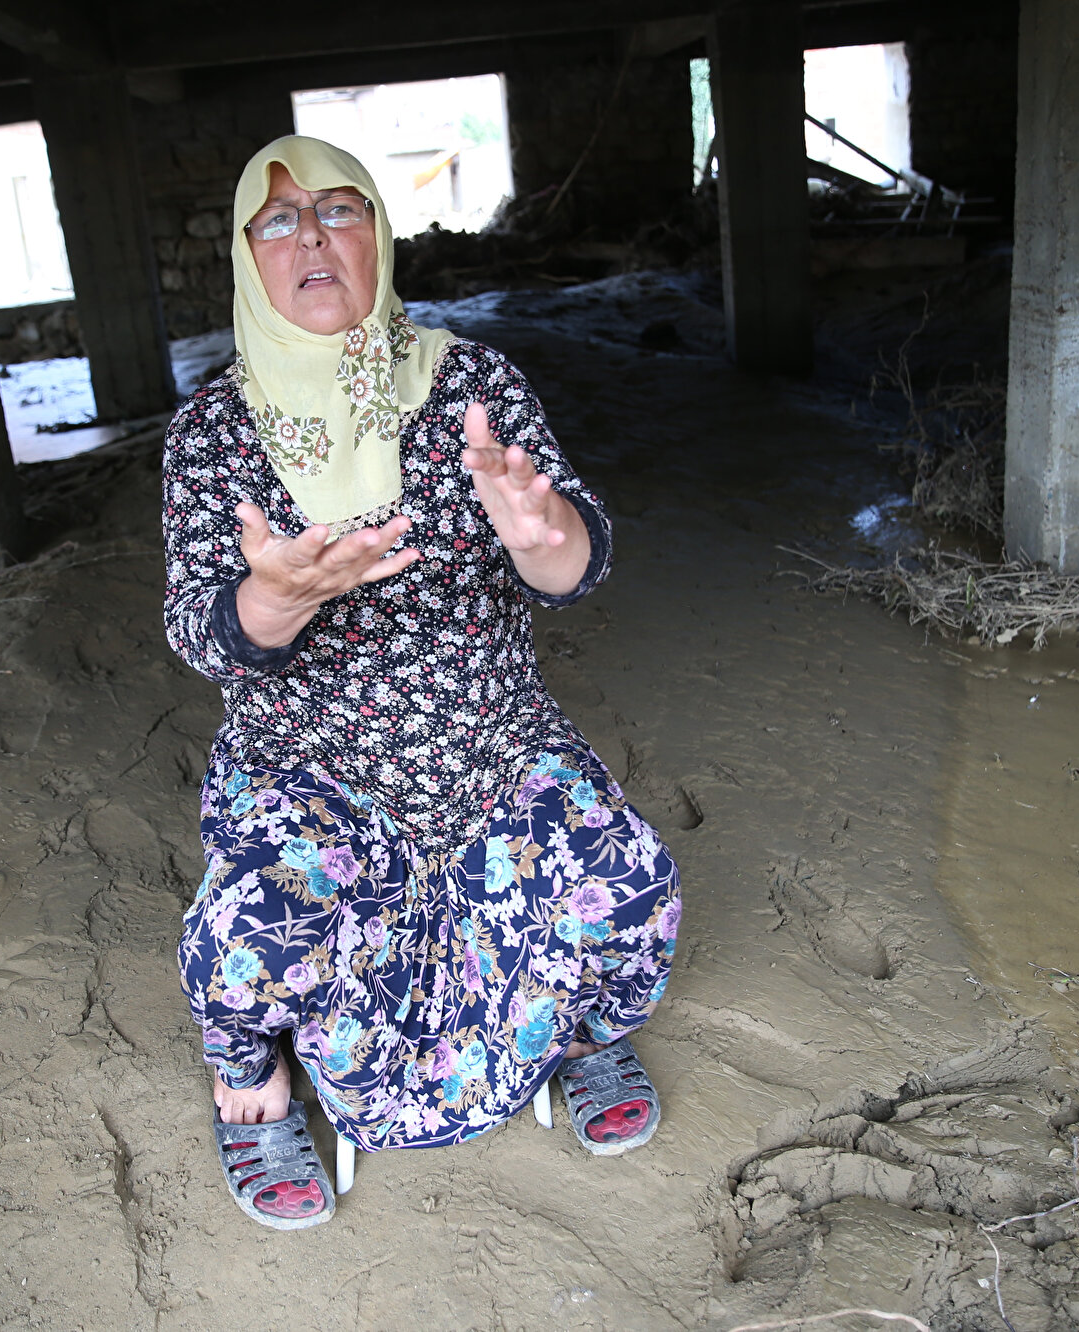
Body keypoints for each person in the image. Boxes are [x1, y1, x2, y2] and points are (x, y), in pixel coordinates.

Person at [164, 136, 681, 1229]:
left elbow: (573, 561)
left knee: (631, 883)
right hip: (310, 768)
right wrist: (279, 599)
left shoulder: (473, 385)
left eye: (339, 209)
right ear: (247, 257)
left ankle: (583, 1034)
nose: (311, 236)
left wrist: (542, 536)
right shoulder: (212, 431)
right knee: (248, 940)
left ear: (378, 236)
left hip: (492, 745)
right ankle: (251, 1086)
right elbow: (202, 634)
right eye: (278, 219)